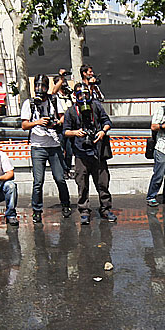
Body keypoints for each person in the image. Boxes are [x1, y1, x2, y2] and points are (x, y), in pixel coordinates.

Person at [20, 74, 72, 223]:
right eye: (37, 86)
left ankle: (66, 205)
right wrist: (38, 122)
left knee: (60, 179)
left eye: (43, 86)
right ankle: (37, 210)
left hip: (54, 145)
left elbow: (63, 118)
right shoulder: (28, 103)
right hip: (38, 147)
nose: (40, 89)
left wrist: (55, 123)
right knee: (38, 181)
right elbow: (24, 125)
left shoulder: (53, 100)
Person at [63, 83, 116, 224]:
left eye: (86, 94)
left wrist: (102, 131)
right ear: (76, 96)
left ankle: (105, 209)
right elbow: (65, 131)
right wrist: (76, 132)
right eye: (81, 95)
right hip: (81, 153)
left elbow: (107, 121)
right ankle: (84, 211)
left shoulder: (96, 106)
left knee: (103, 183)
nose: (84, 97)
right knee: (82, 184)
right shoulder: (71, 111)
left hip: (97, 151)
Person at [53, 68, 74, 170]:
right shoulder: (56, 97)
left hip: (69, 127)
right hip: (60, 128)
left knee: (69, 151)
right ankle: (63, 170)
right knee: (61, 150)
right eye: (62, 82)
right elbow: (53, 91)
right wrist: (61, 78)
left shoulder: (69, 96)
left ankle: (68, 168)